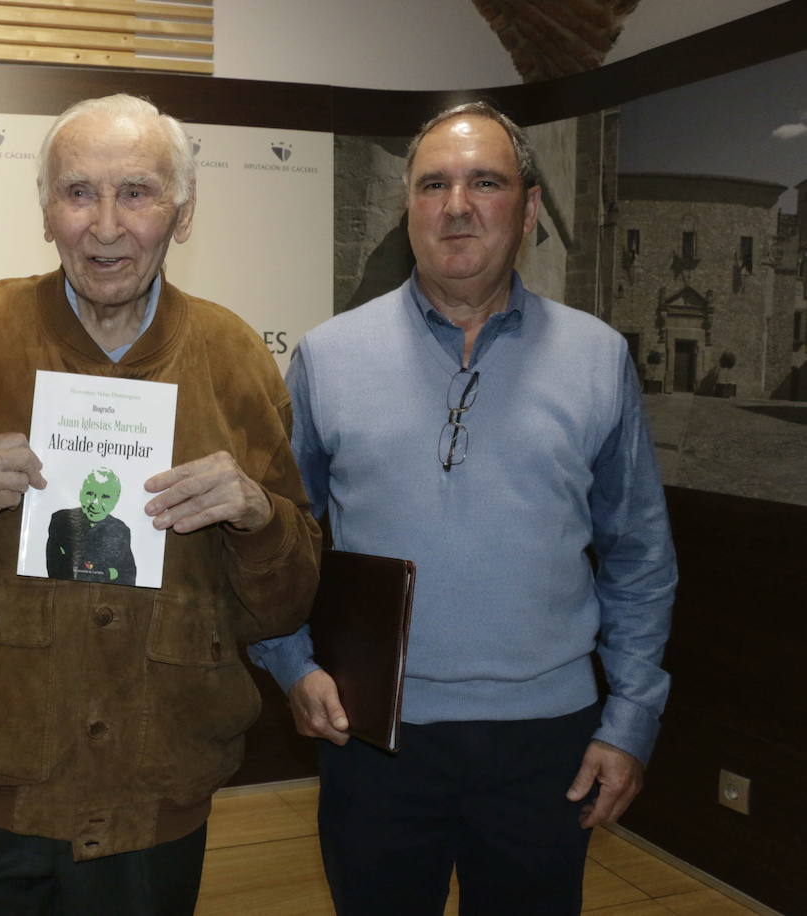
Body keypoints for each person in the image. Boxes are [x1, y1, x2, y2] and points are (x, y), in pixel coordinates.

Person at [0, 93, 320, 914]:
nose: (105, 225)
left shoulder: (235, 358)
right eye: (78, 192)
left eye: (137, 193)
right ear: (45, 211)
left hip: (158, 790)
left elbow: (285, 601)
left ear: (182, 215)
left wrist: (259, 520)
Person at [249, 101, 677, 914]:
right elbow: (276, 537)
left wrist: (630, 720)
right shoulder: (329, 357)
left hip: (548, 742)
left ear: (529, 208)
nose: (456, 205)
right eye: (433, 184)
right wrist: (291, 661)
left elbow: (639, 554)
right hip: (375, 735)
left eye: (486, 182)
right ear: (407, 206)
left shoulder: (597, 358)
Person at [46, 467, 137, 585]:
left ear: (115, 501)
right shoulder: (60, 520)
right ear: (81, 494)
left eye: (105, 497)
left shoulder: (121, 530)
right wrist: (109, 572)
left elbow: (127, 576)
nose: (95, 503)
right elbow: (55, 568)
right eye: (90, 493)